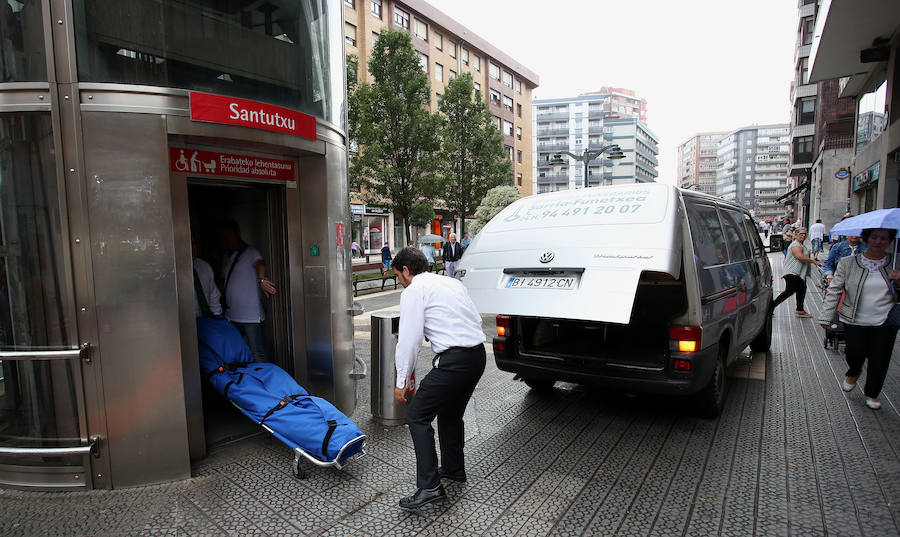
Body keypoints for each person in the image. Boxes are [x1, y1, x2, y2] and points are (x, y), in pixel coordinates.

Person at [390, 247, 486, 510]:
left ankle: (430, 487)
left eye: (398, 275)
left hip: (453, 361)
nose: (399, 280)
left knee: (417, 416)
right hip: (477, 356)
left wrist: (401, 382)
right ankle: (454, 469)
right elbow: (476, 320)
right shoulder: (450, 282)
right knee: (450, 414)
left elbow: (408, 341)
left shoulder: (413, 291)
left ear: (407, 271)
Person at [820, 228, 900, 410]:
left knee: (880, 358)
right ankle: (854, 372)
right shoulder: (848, 263)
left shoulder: (895, 263)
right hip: (854, 319)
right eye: (874, 237)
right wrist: (825, 316)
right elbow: (835, 289)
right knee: (854, 352)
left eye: (883, 238)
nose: (878, 241)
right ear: (866, 239)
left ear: (890, 241)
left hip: (885, 321)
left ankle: (872, 393)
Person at [219, 220, 276, 362]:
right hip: (231, 315)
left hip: (250, 316)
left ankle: (265, 381)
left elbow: (260, 264)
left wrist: (262, 280)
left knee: (257, 352)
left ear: (238, 233)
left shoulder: (251, 252)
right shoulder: (227, 256)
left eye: (229, 235)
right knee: (237, 353)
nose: (227, 239)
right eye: (224, 236)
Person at [770, 228, 821, 317]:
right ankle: (771, 307)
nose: (803, 236)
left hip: (798, 273)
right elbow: (799, 256)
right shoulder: (796, 245)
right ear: (796, 235)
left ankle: (800, 310)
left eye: (805, 234)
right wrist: (814, 261)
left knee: (801, 290)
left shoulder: (801, 245)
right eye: (801, 234)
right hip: (793, 273)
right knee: (790, 291)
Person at [192, 237, 222, 318]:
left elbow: (214, 295)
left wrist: (217, 317)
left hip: (207, 322)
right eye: (188, 243)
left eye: (194, 243)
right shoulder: (174, 271)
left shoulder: (204, 266)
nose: (191, 247)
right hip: (185, 324)